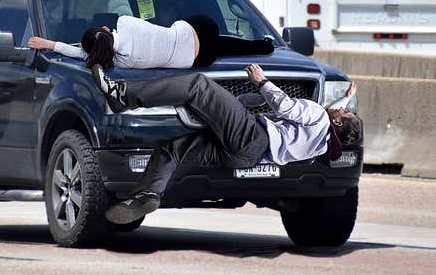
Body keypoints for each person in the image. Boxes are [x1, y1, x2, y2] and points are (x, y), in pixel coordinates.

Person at [90, 63, 362, 224]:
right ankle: (147, 195)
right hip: (246, 158)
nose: (340, 109)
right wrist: (346, 99)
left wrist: (262, 81)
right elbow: (331, 117)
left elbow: (287, 108)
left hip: (252, 138)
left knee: (199, 85)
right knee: (172, 149)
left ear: (338, 122)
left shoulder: (319, 116)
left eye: (344, 112)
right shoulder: (323, 144)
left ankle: (122, 96)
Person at [27, 15, 274, 69]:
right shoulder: (124, 22)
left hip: (196, 61)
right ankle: (263, 46)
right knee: (214, 37)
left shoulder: (120, 63)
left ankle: (260, 45)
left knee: (218, 46)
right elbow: (151, 22)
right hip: (201, 30)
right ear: (105, 29)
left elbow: (88, 55)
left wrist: (50, 45)